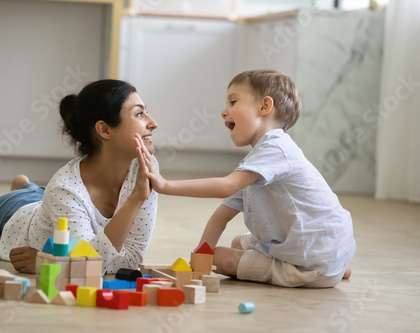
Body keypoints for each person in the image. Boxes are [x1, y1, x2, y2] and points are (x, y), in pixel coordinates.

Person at [136, 69, 356, 288]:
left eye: (233, 102)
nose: (224, 112)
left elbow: (224, 187)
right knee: (237, 243)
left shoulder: (276, 147)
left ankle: (319, 273)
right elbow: (220, 217)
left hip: (307, 260)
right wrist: (199, 257)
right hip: (325, 247)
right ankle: (334, 269)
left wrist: (165, 185)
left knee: (219, 259)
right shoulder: (257, 163)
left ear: (264, 107)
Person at [0, 79, 159, 275]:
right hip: (9, 220)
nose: (153, 123)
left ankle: (25, 187)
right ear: (104, 130)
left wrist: (52, 262)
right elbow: (90, 264)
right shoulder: (65, 188)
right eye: (140, 114)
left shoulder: (144, 169)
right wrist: (136, 199)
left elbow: (131, 261)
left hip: (47, 200)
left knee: (51, 200)